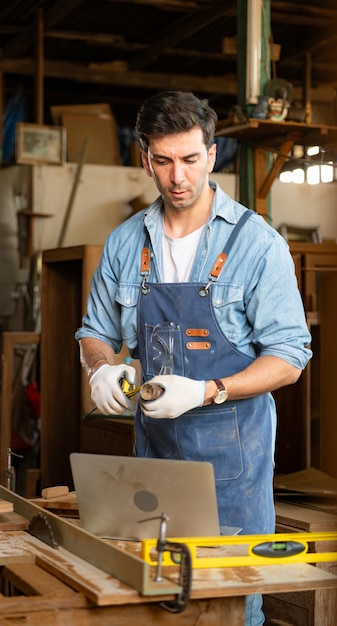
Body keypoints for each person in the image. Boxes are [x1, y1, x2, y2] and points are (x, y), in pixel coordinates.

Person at [75, 90, 312, 625]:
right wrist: (102, 367)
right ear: (145, 159)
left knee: (228, 606)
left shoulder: (258, 245)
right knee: (158, 605)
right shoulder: (123, 242)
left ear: (211, 155)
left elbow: (291, 357)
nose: (177, 176)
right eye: (163, 161)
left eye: (189, 159)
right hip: (153, 466)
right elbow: (94, 331)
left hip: (232, 470)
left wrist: (207, 391)